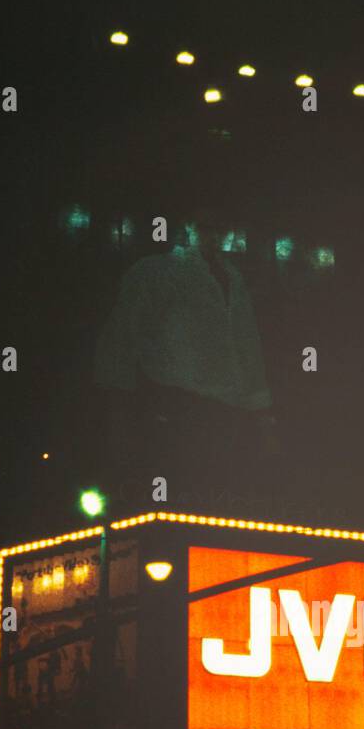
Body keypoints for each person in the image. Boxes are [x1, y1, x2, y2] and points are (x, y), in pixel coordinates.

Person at [94, 206, 276, 509]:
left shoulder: (234, 279)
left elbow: (248, 347)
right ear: (189, 226)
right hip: (173, 404)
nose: (215, 236)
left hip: (228, 411)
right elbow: (121, 340)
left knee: (222, 502)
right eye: (207, 227)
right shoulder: (156, 272)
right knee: (180, 497)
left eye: (221, 228)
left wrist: (263, 420)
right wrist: (119, 415)